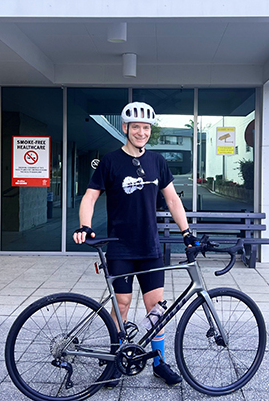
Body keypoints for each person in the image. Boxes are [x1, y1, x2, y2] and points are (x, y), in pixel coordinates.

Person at [73, 101, 197, 387]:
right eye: (136, 127)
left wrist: (186, 232)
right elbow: (90, 196)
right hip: (120, 246)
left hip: (149, 246)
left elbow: (172, 199)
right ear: (126, 129)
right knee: (123, 304)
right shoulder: (110, 161)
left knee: (156, 308)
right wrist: (85, 226)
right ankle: (117, 361)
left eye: (146, 127)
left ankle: (159, 362)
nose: (141, 132)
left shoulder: (157, 162)